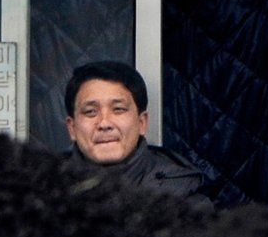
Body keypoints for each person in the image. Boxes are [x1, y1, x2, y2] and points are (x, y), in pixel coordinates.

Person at [62, 60, 213, 209]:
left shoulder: (186, 203)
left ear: (142, 122)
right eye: (90, 112)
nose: (104, 123)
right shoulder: (45, 197)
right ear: (72, 127)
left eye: (118, 109)